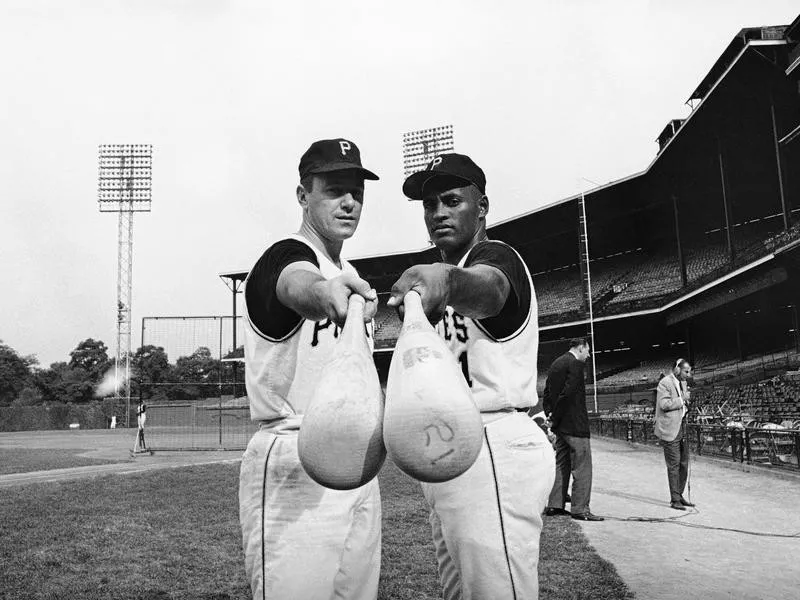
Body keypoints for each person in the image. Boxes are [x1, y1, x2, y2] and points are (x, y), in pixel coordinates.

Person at [388, 153, 556, 600]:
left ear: (481, 207)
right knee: (459, 591)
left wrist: (446, 280)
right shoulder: (447, 275)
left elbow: (490, 290)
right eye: (429, 205)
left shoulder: (495, 257)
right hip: (455, 450)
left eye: (451, 200)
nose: (438, 212)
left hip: (495, 444)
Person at [238, 138, 382, 600]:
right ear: (303, 195)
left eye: (357, 192)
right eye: (334, 189)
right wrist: (325, 295)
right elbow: (296, 283)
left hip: (358, 464)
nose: (349, 202)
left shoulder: (351, 270)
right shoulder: (284, 256)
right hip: (293, 457)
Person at [543, 338, 604, 521]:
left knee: (561, 463)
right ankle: (580, 509)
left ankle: (555, 505)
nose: (589, 355)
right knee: (583, 466)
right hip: (575, 425)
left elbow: (547, 394)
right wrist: (558, 416)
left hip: (561, 426)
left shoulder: (555, 364)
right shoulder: (575, 364)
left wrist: (552, 416)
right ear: (580, 348)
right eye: (588, 351)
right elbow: (568, 394)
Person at [654, 358, 696, 510]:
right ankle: (674, 500)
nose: (688, 374)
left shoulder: (683, 383)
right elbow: (664, 405)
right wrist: (681, 399)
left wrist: (686, 402)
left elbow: (682, 402)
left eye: (689, 371)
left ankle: (679, 494)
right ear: (677, 369)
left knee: (684, 464)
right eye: (686, 371)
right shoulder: (665, 382)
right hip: (670, 429)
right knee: (674, 465)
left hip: (682, 426)